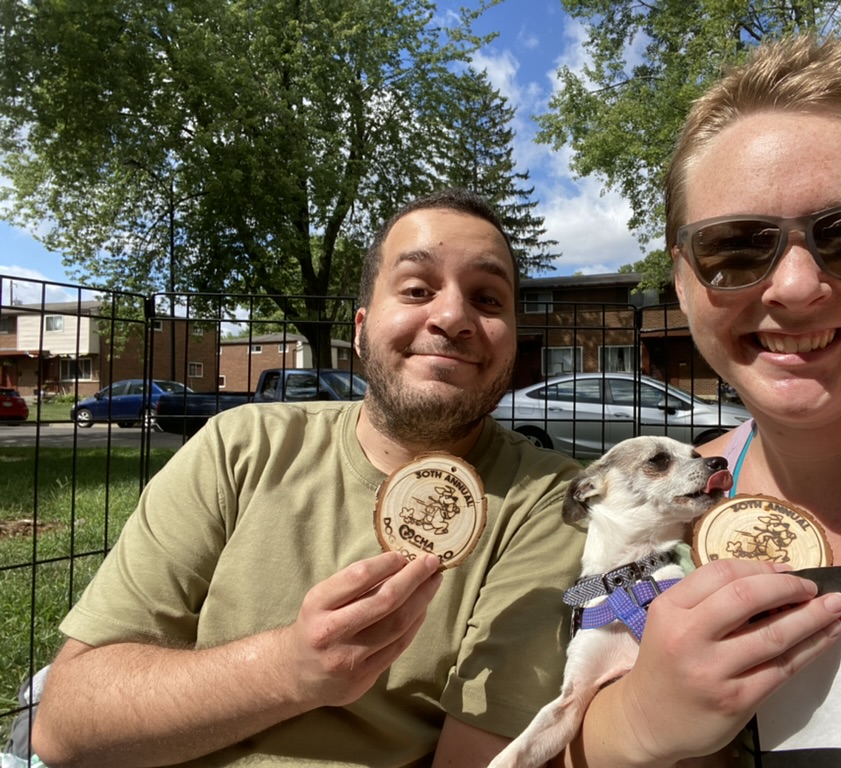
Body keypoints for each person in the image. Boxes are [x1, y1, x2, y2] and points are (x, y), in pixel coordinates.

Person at [556, 34, 841, 767]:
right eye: (737, 247)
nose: (797, 286)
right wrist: (635, 727)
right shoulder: (678, 502)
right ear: (682, 280)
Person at [31, 188, 588, 767]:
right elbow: (67, 728)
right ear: (361, 328)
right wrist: (288, 669)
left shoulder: (551, 502)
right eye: (418, 289)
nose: (452, 317)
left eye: (488, 299)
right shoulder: (238, 448)